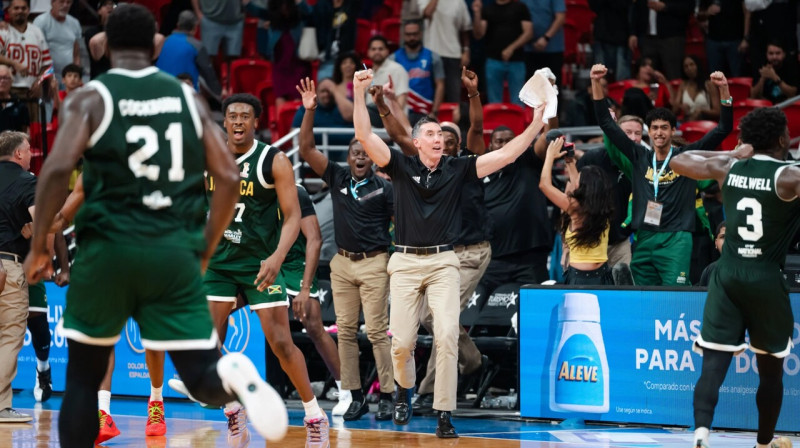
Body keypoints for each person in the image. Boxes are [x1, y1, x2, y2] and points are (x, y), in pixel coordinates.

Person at [21, 5, 287, 446]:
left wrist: (39, 249)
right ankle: (232, 375)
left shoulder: (90, 98)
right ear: (155, 46)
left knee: (84, 379)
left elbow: (55, 171)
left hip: (108, 252)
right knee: (200, 375)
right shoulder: (187, 100)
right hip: (171, 252)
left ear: (105, 44)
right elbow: (228, 176)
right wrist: (205, 246)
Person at [352, 67, 546, 438]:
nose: (438, 138)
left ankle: (444, 412)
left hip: (444, 261)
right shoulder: (400, 165)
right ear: (416, 142)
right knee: (402, 343)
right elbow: (364, 134)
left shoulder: (458, 169)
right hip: (404, 262)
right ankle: (404, 390)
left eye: (440, 134)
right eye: (430, 134)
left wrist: (536, 121)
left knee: (446, 335)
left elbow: (507, 154)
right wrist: (359, 93)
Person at [172, 92, 328, 447]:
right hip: (219, 264)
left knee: (281, 343)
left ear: (256, 122)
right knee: (204, 341)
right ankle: (232, 407)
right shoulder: (209, 158)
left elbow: (293, 217)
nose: (238, 121)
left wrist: (277, 257)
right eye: (233, 116)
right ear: (224, 122)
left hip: (260, 264)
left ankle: (314, 415)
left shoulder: (274, 160)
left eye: (245, 116)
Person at [669, 106, 796, 448]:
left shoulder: (729, 166)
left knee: (713, 362)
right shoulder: (789, 176)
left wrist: (731, 153)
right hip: (765, 276)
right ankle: (763, 444)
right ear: (781, 139)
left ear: (748, 141)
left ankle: (701, 434)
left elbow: (678, 161)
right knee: (770, 372)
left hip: (726, 274)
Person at [370, 68, 491, 415]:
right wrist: (384, 104)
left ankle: (429, 393)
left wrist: (472, 94)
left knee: (443, 326)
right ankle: (471, 360)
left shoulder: (465, 164)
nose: (443, 142)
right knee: (425, 321)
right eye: (437, 137)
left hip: (467, 251)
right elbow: (400, 135)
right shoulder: (422, 166)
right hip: (430, 253)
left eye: (449, 139)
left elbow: (477, 127)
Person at [297, 77, 395, 422]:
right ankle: (354, 395)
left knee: (378, 332)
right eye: (355, 151)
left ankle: (388, 394)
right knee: (347, 332)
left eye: (365, 151)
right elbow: (306, 149)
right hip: (341, 264)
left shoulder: (385, 189)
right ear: (348, 157)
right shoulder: (337, 177)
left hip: (374, 262)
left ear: (374, 158)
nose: (360, 156)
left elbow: (400, 224)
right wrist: (309, 111)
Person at [592, 63, 733, 286]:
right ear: (649, 131)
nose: (659, 132)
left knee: (675, 295)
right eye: (655, 128)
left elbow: (723, 128)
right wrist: (595, 81)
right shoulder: (639, 156)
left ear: (673, 130)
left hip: (676, 239)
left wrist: (723, 90)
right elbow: (605, 123)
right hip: (645, 237)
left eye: (664, 127)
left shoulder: (686, 157)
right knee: (643, 296)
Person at [266, 183, 346, 416]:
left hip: (296, 263)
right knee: (224, 304)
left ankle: (347, 391)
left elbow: (315, 240)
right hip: (269, 260)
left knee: (313, 325)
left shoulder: (296, 192)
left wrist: (304, 289)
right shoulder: (248, 189)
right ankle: (202, 377)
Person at [540, 137, 615, 285]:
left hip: (579, 279)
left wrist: (549, 156)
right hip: (603, 277)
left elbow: (544, 185)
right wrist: (569, 161)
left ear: (585, 186)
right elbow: (578, 185)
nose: (575, 182)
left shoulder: (575, 207)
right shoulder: (602, 205)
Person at [0, 131, 35, 424]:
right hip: (8, 264)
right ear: (19, 154)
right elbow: (43, 221)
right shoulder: (27, 181)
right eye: (29, 149)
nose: (32, 154)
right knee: (9, 336)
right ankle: (0, 406)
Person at [471, 0, 532, 106]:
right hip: (493, 60)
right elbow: (478, 34)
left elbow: (529, 33)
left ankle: (517, 117)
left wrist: (511, 48)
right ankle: (496, 118)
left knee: (518, 100)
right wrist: (477, 13)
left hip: (517, 60)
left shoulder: (520, 7)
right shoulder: (488, 9)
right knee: (494, 102)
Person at [0, 0, 52, 123]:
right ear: (9, 11)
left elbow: (47, 64)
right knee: (11, 131)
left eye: (23, 8)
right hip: (9, 91)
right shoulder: (3, 31)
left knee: (34, 130)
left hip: (32, 92)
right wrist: (14, 63)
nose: (20, 11)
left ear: (28, 11)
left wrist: (39, 82)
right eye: (16, 8)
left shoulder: (37, 32)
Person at [155, 10, 222, 98]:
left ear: (178, 25)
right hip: (185, 95)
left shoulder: (162, 41)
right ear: (195, 27)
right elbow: (208, 74)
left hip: (159, 92)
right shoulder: (197, 46)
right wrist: (219, 95)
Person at [390, 20, 445, 126]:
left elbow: (440, 84)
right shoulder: (393, 59)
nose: (412, 37)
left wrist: (434, 112)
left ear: (420, 34)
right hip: (402, 111)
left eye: (415, 34)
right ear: (403, 35)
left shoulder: (433, 57)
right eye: (408, 34)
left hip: (426, 111)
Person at [418, 0, 472, 103]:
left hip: (453, 55)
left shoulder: (459, 2)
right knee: (431, 98)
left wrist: (466, 50)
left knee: (453, 97)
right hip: (431, 54)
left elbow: (465, 29)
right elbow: (427, 13)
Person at [629, 0, 693, 80]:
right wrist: (633, 33)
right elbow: (636, 8)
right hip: (647, 38)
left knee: (674, 74)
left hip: (672, 37)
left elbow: (688, 7)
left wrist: (665, 7)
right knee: (648, 76)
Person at [32, 0, 82, 87]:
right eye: (61, 2)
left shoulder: (75, 23)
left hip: (68, 78)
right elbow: (36, 51)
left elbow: (76, 53)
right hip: (46, 76)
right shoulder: (41, 21)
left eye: (68, 2)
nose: (65, 5)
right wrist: (42, 76)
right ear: (52, 3)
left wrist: (77, 73)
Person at [672, 55, 721, 121]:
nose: (689, 68)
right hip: (687, 121)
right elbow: (674, 110)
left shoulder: (709, 84)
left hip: (705, 122)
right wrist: (681, 106)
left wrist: (702, 111)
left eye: (692, 64)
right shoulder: (683, 85)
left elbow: (717, 112)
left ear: (698, 65)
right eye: (686, 66)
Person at [750, 40, 799, 105]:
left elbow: (793, 95)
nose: (774, 57)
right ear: (766, 54)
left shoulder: (791, 67)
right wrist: (763, 78)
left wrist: (775, 78)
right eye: (771, 53)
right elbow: (753, 96)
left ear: (784, 54)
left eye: (778, 53)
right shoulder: (762, 67)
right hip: (765, 106)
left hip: (786, 105)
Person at [0, 64, 30, 133]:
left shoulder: (20, 105)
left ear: (11, 81)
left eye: (5, 78)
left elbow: (25, 131)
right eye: (0, 78)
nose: (2, 81)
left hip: (15, 139)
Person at [698, 221, 725, 287]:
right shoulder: (709, 271)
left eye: (732, 237)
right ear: (716, 243)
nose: (727, 241)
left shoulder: (748, 270)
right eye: (723, 237)